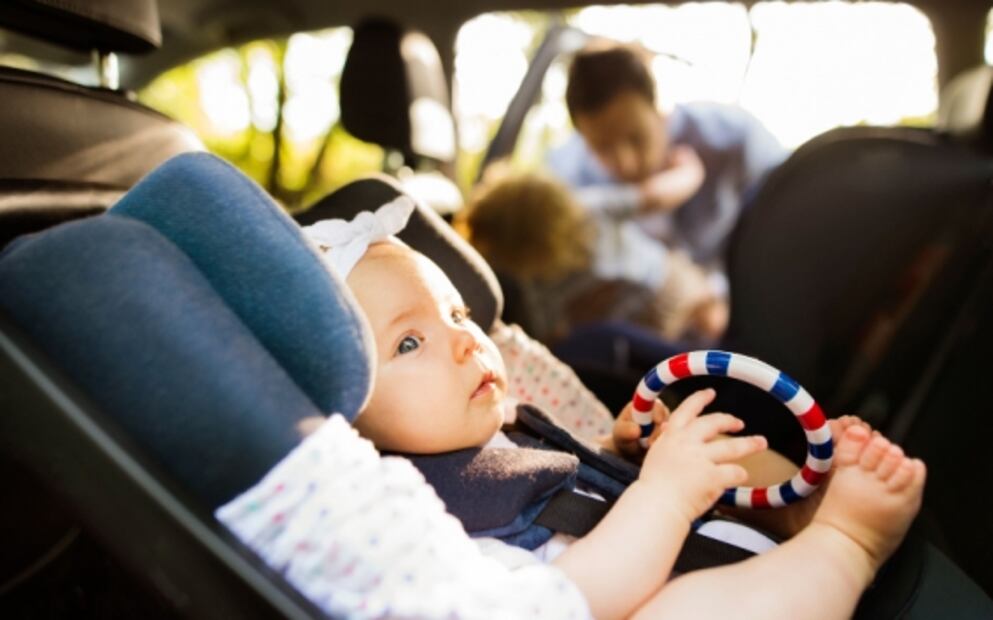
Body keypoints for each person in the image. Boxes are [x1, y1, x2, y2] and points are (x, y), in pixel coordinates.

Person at [282, 198, 925, 619]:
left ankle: (800, 507)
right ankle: (848, 543)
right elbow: (568, 598)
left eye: (459, 313)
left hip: (714, 559)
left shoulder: (510, 427)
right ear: (344, 410)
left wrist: (624, 457)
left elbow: (577, 498)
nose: (464, 340)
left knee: (725, 450)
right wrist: (666, 496)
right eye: (410, 342)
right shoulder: (418, 521)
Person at [547, 41, 789, 271]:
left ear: (657, 107)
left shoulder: (732, 137)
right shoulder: (568, 178)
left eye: (635, 138)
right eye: (602, 148)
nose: (626, 163)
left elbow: (791, 207)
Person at [463, 168, 728, 344]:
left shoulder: (586, 212)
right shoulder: (587, 209)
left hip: (650, 305)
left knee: (704, 322)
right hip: (655, 294)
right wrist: (690, 171)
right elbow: (655, 196)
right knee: (711, 323)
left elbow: (552, 335)